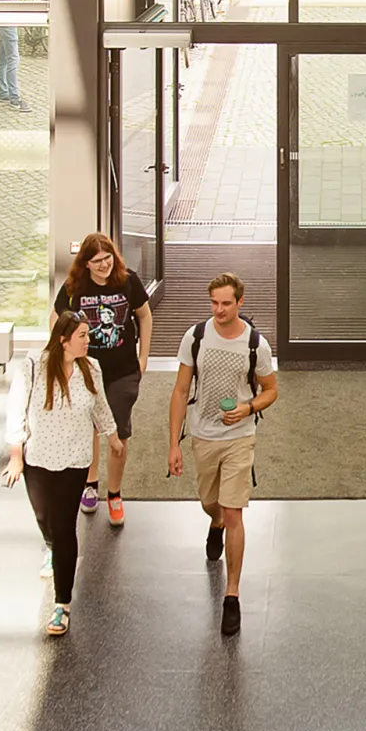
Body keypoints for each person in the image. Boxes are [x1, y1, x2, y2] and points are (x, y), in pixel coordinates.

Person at [168, 273, 279, 638]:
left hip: (240, 436)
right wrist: (173, 444)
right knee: (209, 502)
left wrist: (248, 408)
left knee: (234, 511)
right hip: (204, 434)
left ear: (240, 303)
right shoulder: (195, 337)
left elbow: (271, 390)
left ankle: (232, 596)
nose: (219, 310)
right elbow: (181, 389)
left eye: (226, 303)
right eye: (214, 303)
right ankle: (212, 522)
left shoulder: (255, 344)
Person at [3, 312, 124, 637]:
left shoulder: (91, 369)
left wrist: (112, 436)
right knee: (45, 518)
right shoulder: (32, 368)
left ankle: (62, 605)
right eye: (82, 336)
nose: (88, 340)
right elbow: (16, 410)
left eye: (88, 334)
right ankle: (51, 546)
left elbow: (100, 406)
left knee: (65, 525)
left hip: (74, 460)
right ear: (62, 339)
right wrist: (16, 456)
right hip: (38, 459)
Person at [52, 233, 152, 527]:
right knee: (90, 428)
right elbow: (57, 319)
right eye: (97, 261)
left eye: (108, 258)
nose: (104, 265)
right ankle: (90, 484)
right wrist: (63, 356)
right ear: (85, 263)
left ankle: (115, 494)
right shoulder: (75, 288)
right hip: (86, 371)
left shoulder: (127, 280)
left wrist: (143, 356)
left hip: (123, 371)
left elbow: (144, 317)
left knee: (118, 432)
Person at [0, 0, 28, 111]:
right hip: (7, 18)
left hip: (4, 18)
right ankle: (14, 98)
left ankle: (3, 93)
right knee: (13, 58)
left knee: (4, 59)